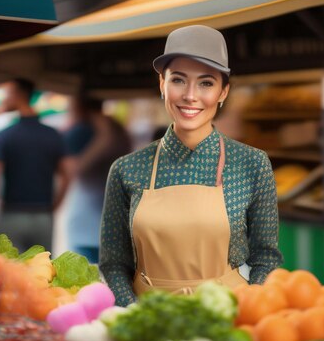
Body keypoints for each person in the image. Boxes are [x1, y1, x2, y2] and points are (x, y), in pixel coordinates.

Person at [100, 25, 283, 306]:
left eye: (206, 83)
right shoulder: (126, 169)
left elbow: (266, 258)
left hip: (226, 317)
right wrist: (135, 315)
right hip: (149, 320)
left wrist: (247, 309)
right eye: (178, 80)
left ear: (223, 92)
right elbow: (114, 265)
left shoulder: (252, 163)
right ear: (162, 84)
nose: (190, 95)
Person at [0, 78, 70, 252]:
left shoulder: (3, 136)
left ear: (18, 95)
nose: (4, 99)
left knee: (6, 272)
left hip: (12, 214)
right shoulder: (54, 135)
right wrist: (54, 205)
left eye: (7, 94)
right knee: (41, 273)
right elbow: (67, 175)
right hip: (43, 217)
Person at [63, 95, 132, 264]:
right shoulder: (117, 130)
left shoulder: (96, 133)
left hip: (89, 222)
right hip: (106, 222)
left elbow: (75, 169)